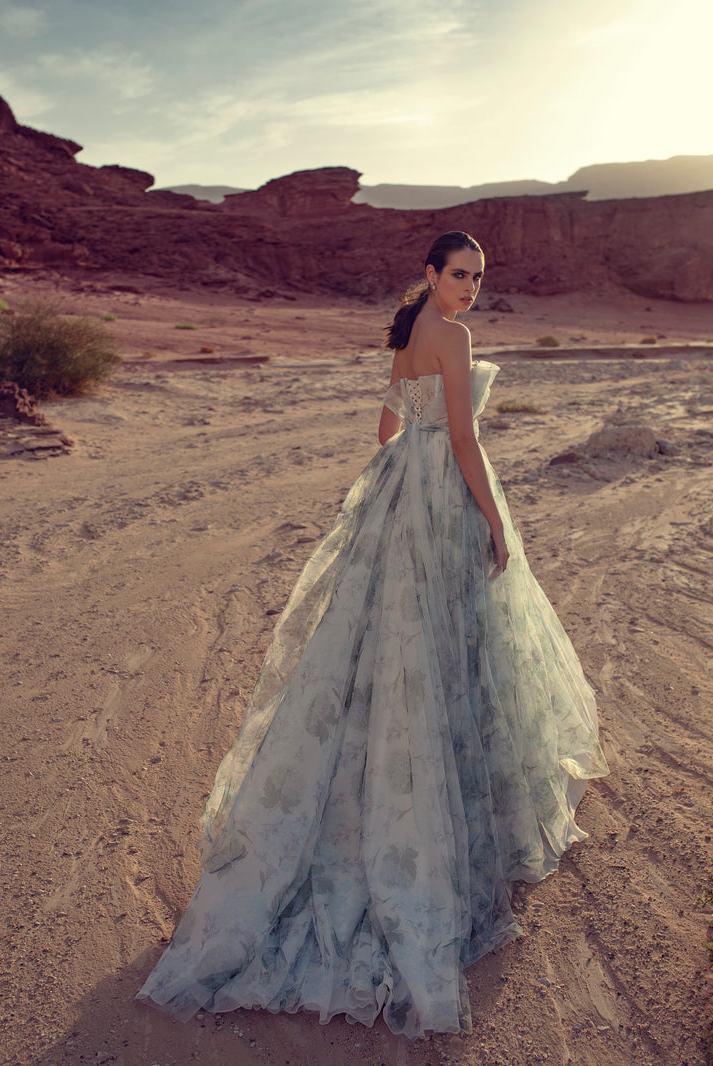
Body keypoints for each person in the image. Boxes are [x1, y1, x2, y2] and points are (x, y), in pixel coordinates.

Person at [136, 231, 609, 1039]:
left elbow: (388, 418)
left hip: (401, 494)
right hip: (443, 497)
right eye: (460, 275)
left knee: (387, 651)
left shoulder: (405, 330)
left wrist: (392, 480)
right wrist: (495, 523)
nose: (471, 290)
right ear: (431, 274)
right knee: (449, 648)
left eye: (479, 278)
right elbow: (463, 439)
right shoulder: (450, 334)